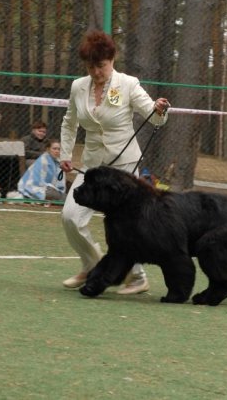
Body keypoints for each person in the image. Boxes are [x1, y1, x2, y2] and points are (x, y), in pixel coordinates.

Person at [60, 30, 169, 294]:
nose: (96, 72)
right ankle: (93, 265)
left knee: (126, 226)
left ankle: (138, 277)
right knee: (70, 217)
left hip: (124, 168)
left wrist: (159, 109)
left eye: (101, 65)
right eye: (90, 66)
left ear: (112, 59)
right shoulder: (78, 87)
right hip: (93, 167)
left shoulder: (129, 84)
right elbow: (69, 122)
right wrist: (65, 154)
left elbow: (154, 118)